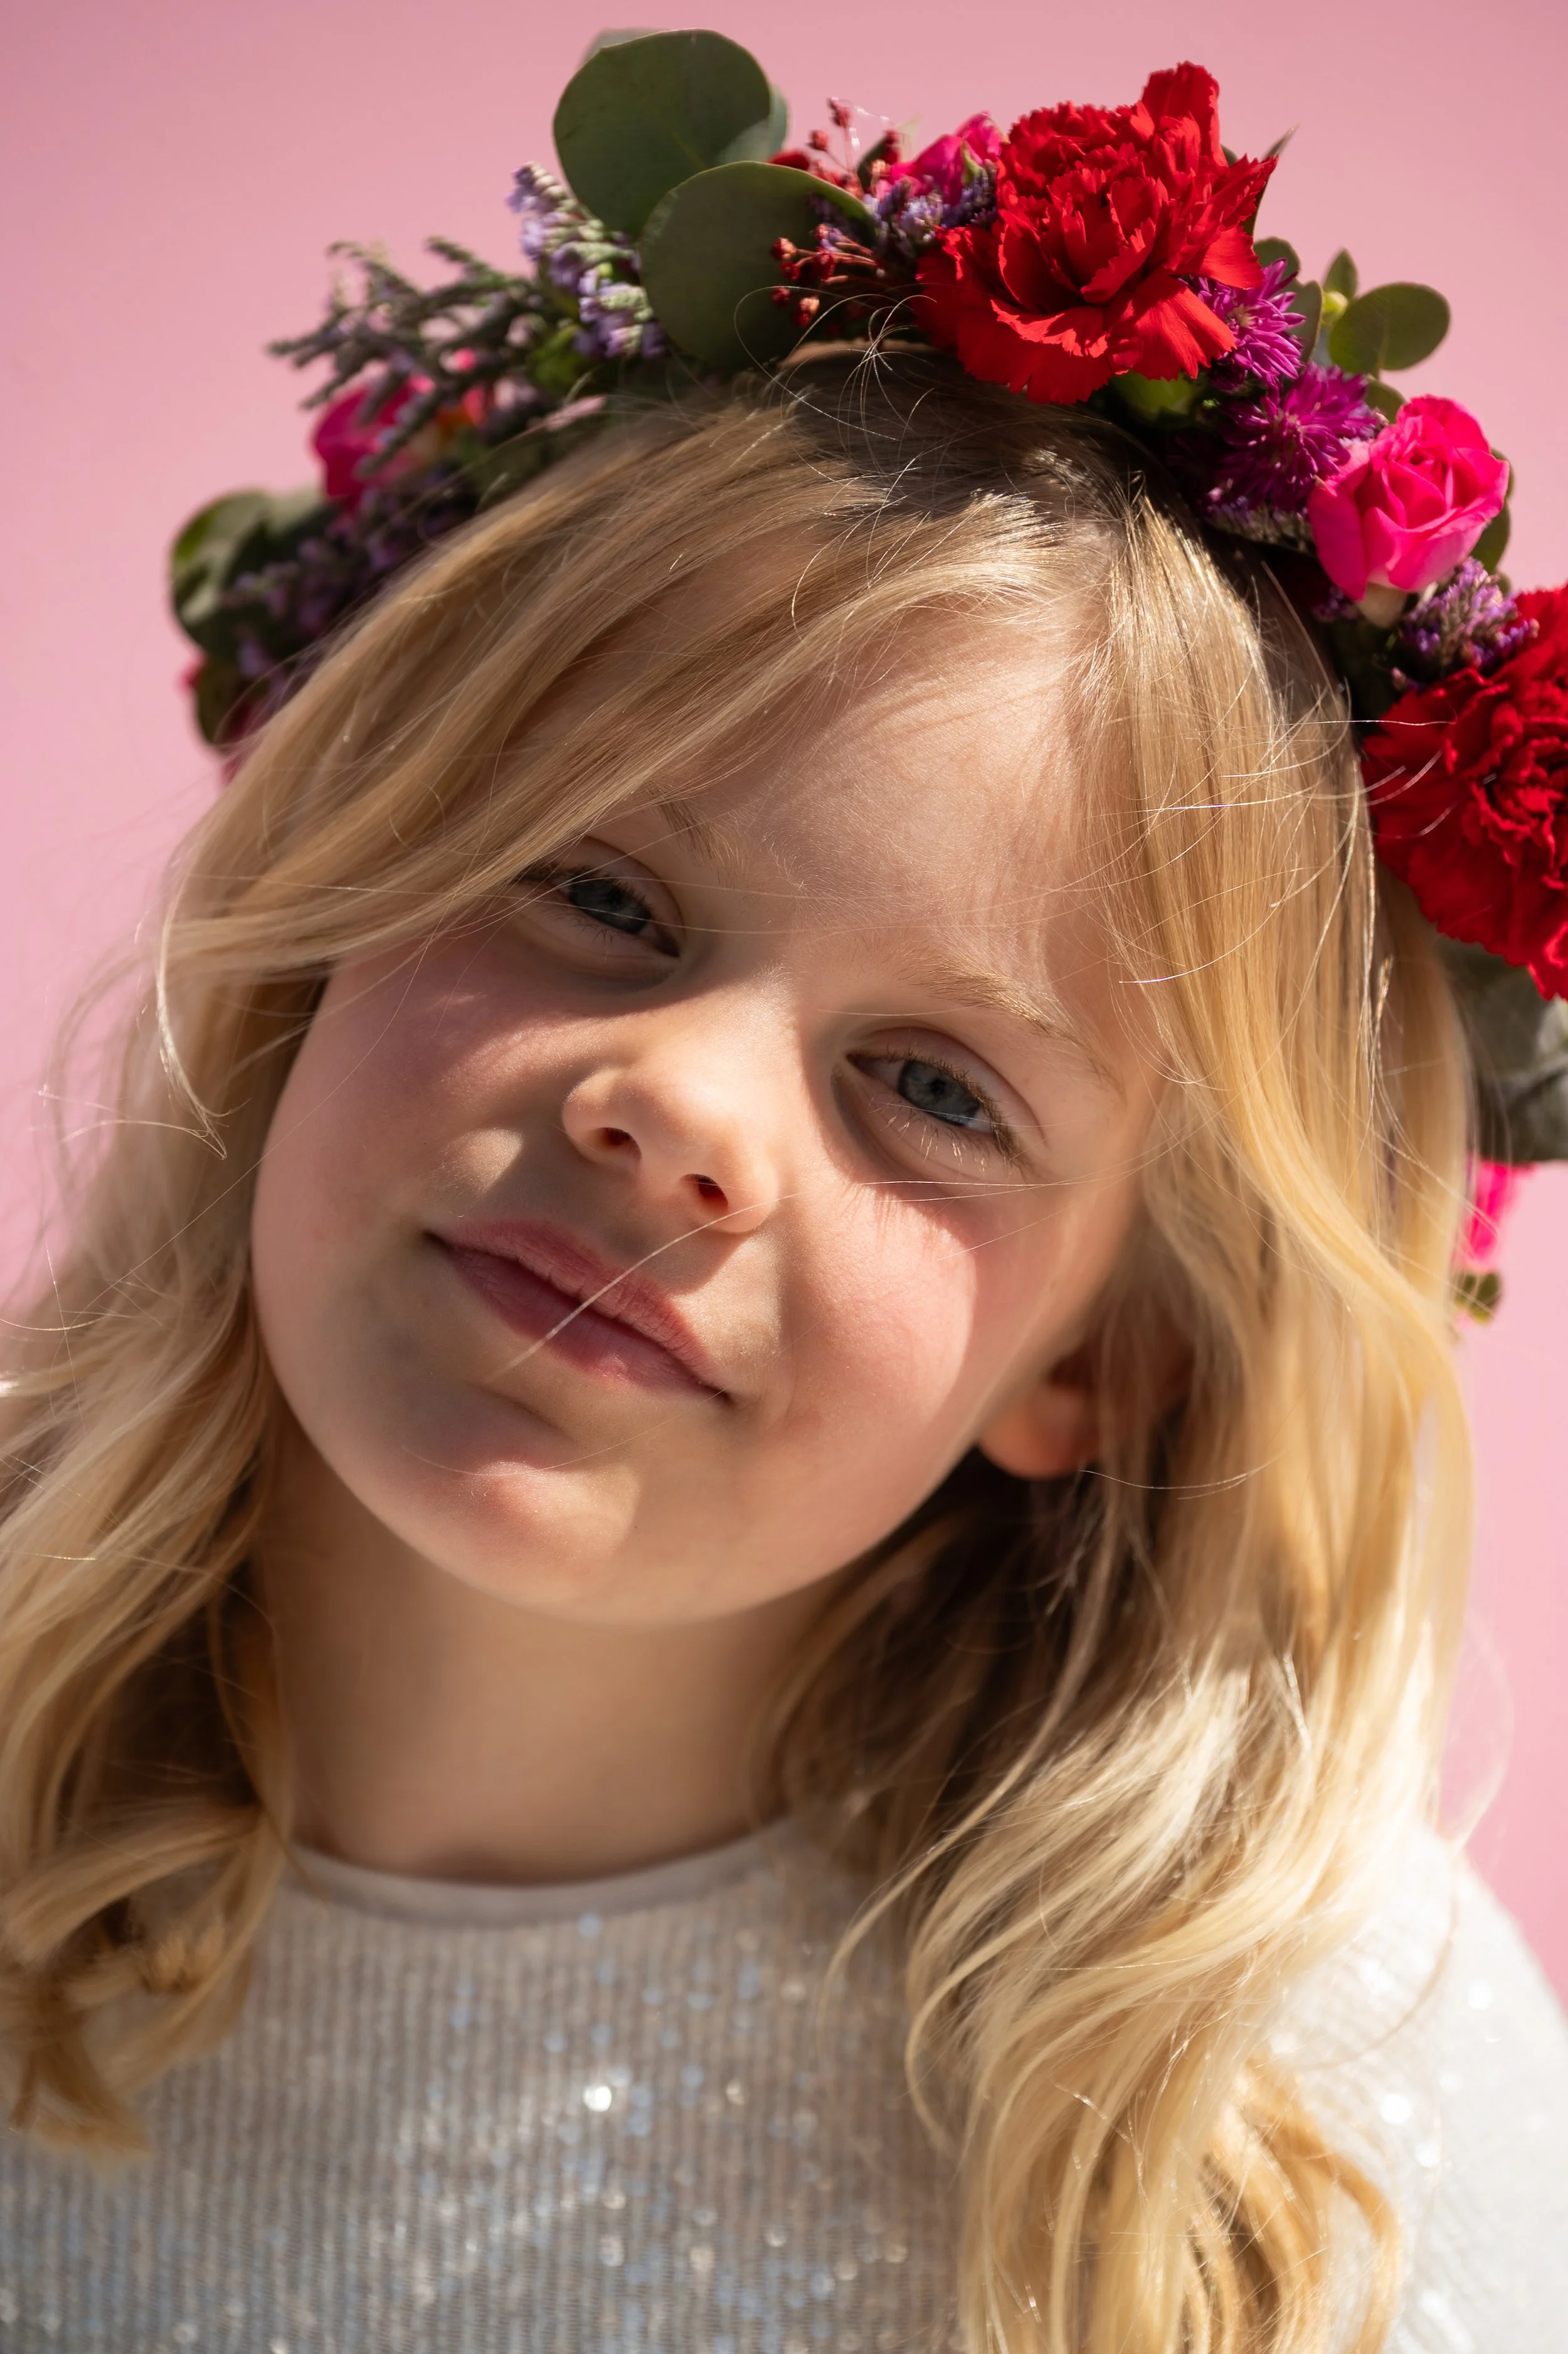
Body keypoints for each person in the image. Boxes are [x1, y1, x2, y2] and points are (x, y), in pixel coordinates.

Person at [2, 46, 1566, 2354]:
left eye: (930, 1084)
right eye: (600, 894)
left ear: (1101, 1356)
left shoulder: (1275, 2119)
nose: (683, 1109)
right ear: (333, 909)